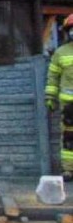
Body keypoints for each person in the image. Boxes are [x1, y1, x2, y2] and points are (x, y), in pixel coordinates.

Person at [45, 13, 73, 180]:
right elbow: (53, 77)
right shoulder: (60, 53)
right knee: (69, 137)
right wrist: (50, 97)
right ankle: (69, 170)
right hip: (69, 105)